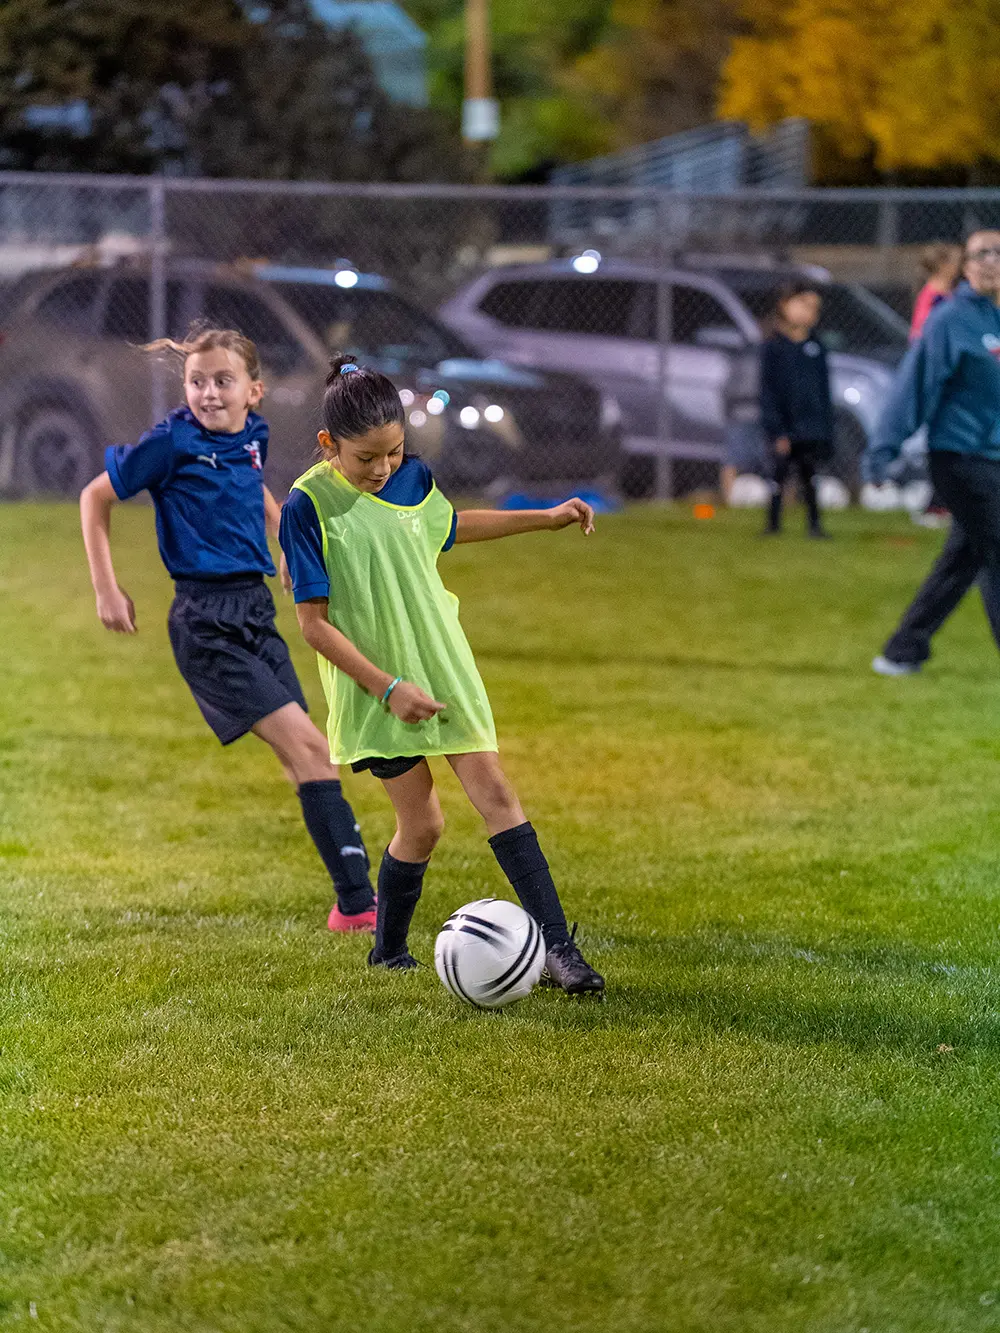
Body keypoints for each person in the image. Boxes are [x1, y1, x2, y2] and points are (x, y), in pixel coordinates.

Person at [278, 356, 606, 996]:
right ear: (328, 444)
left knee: (499, 798)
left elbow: (449, 527)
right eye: (365, 457)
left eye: (394, 453)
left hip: (443, 665)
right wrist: (387, 688)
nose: (382, 469)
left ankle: (560, 951)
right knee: (424, 826)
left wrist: (546, 516)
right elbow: (313, 624)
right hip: (377, 688)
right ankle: (388, 949)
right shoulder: (306, 505)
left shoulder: (414, 479)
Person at [80, 326, 378, 932]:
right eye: (197, 381)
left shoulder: (252, 438)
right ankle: (361, 905)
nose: (209, 393)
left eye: (222, 381)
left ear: (254, 391)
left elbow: (254, 488)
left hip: (255, 614)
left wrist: (285, 544)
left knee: (308, 762)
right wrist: (106, 588)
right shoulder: (170, 444)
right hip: (205, 624)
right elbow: (94, 497)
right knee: (314, 749)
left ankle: (352, 905)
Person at [867, 231, 1000, 676]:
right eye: (981, 254)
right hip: (959, 458)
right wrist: (883, 450)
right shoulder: (951, 321)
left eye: (999, 253)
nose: (991, 261)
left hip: (996, 461)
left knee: (965, 556)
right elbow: (914, 388)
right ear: (965, 266)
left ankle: (903, 649)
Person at [759, 283, 833, 538]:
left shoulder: (816, 347)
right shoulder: (774, 348)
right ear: (785, 305)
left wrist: (825, 428)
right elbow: (768, 391)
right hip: (785, 427)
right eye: (803, 305)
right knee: (778, 475)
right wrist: (777, 429)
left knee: (809, 476)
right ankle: (773, 525)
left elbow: (823, 390)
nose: (808, 313)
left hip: (811, 427)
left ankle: (815, 525)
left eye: (814, 308)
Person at [910, 242, 962, 342]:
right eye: (955, 261)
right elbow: (922, 329)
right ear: (942, 266)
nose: (959, 266)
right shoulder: (932, 295)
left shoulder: (952, 291)